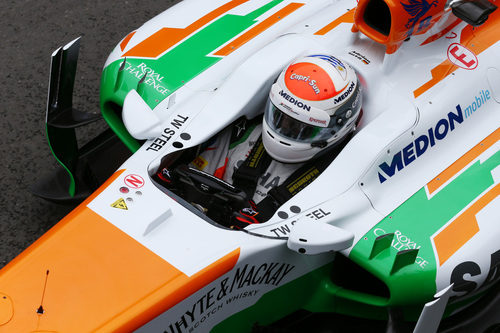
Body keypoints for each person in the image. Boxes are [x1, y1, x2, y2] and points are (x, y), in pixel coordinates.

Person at [156, 54, 362, 229]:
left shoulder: (339, 177)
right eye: (281, 118)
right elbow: (189, 175)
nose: (286, 130)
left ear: (338, 125)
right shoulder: (242, 133)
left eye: (303, 128)